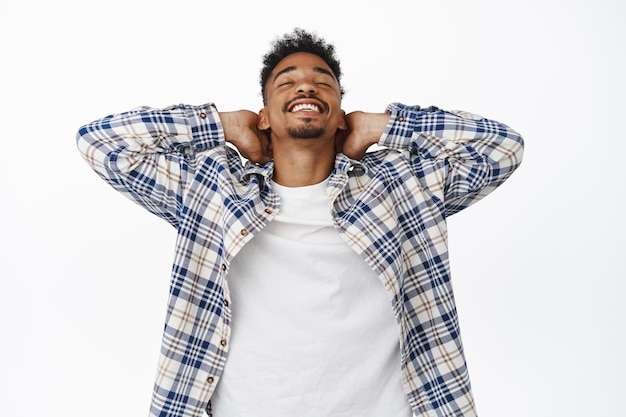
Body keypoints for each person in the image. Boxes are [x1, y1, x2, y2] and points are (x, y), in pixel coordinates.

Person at [77, 28, 524, 417]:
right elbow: (100, 144)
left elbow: (502, 149)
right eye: (286, 82)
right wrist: (221, 124)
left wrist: (385, 126)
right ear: (265, 116)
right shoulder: (212, 188)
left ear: (341, 112)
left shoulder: (398, 186)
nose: (305, 87)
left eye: (322, 82)